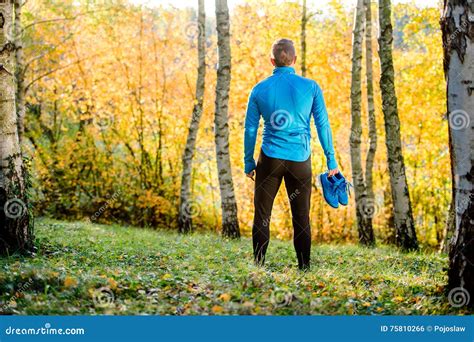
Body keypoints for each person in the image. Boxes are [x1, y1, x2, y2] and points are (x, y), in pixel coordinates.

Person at [244, 38, 339, 270]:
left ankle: (258, 264)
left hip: (270, 159)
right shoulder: (311, 87)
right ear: (294, 60)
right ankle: (304, 268)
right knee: (301, 216)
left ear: (272, 61)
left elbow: (250, 129)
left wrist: (249, 162)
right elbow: (323, 125)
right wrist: (331, 160)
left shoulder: (259, 89)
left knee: (262, 214)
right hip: (300, 160)